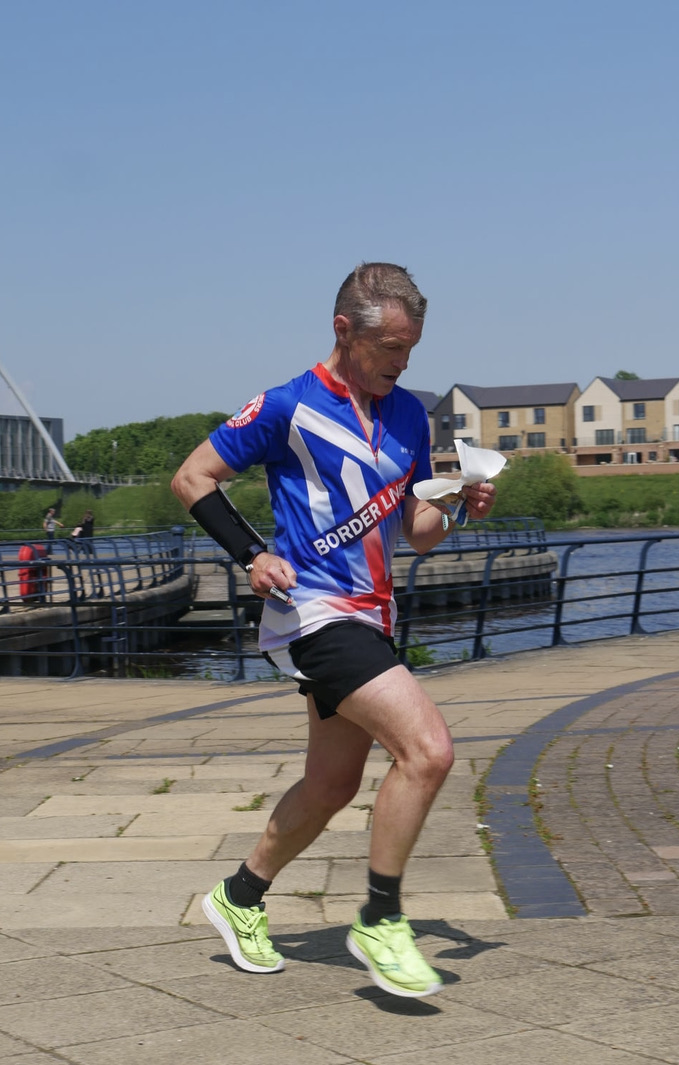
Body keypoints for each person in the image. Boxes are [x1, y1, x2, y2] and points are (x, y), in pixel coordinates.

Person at [171, 262, 496, 998]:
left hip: (372, 616)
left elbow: (416, 530)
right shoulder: (287, 405)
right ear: (343, 332)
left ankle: (240, 895)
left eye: (411, 349)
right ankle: (381, 918)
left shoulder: (409, 412)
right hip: (312, 615)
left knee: (332, 783)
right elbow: (193, 477)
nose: (402, 364)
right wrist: (252, 552)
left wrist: (462, 505)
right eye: (390, 350)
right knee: (429, 749)